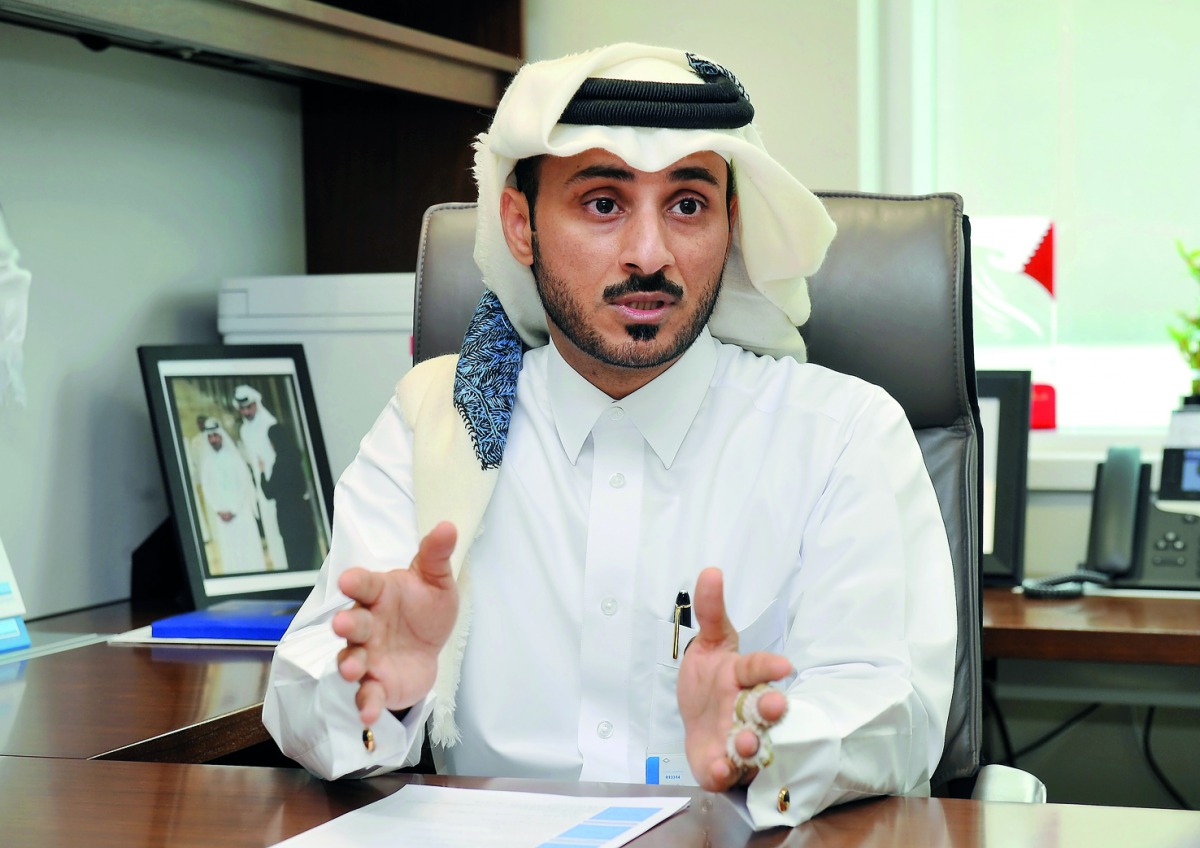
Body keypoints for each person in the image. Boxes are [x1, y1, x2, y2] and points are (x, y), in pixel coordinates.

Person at [264, 43, 956, 830]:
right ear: (520, 225)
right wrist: (379, 693)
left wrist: (765, 742)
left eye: (688, 205)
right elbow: (301, 688)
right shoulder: (443, 421)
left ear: (731, 225)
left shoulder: (841, 434)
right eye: (603, 203)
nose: (650, 254)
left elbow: (894, 711)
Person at [196, 417, 267, 575]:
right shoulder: (207, 462)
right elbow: (207, 488)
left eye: (215, 435)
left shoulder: (235, 458)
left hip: (241, 512)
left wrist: (233, 509)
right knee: (230, 550)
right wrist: (219, 510)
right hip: (222, 516)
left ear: (221, 436)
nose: (213, 439)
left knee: (247, 547)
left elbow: (244, 485)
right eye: (210, 437)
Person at [233, 385, 289, 571]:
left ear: (256, 403)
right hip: (261, 486)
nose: (246, 411)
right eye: (242, 408)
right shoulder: (244, 430)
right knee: (269, 528)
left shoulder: (269, 423)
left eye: (249, 407)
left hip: (277, 486)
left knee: (281, 529)